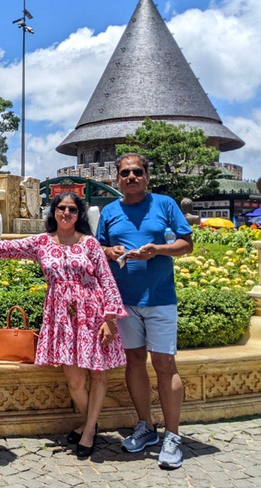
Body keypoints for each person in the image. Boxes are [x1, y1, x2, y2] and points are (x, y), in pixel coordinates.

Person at [0, 192, 127, 459]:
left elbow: (107, 280)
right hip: (62, 317)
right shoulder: (42, 242)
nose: (66, 213)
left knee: (97, 374)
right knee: (74, 381)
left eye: (72, 210)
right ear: (54, 211)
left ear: (79, 215)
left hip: (92, 313)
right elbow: (5, 249)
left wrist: (110, 318)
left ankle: (87, 432)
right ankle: (91, 422)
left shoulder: (90, 244)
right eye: (61, 208)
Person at [97, 153, 193, 470]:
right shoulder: (110, 211)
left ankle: (173, 435)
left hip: (160, 298)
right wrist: (110, 251)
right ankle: (145, 426)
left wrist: (158, 250)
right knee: (134, 360)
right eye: (125, 173)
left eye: (137, 171)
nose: (131, 177)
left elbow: (186, 243)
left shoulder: (164, 204)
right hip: (123, 300)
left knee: (165, 363)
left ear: (147, 176)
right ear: (117, 179)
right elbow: (97, 251)